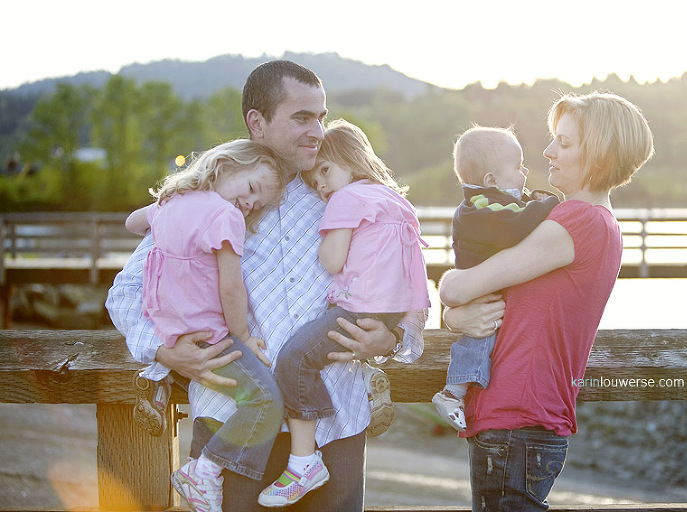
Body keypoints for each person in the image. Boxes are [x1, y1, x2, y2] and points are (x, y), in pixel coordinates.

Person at [106, 60, 425, 512]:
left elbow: (407, 272)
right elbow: (125, 293)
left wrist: (393, 336)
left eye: (321, 116)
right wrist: (164, 351)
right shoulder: (212, 198)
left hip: (334, 418)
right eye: (301, 117)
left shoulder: (342, 192)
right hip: (233, 419)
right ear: (257, 122)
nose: (317, 130)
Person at [439, 92, 654, 511]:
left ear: (600, 152)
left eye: (565, 143)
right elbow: (493, 301)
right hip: (523, 418)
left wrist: (452, 304)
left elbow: (456, 288)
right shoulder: (594, 221)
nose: (548, 151)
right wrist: (457, 318)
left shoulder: (577, 221)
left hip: (517, 416)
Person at [257, 119, 430, 507]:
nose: (320, 185)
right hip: (388, 314)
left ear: (350, 160)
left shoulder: (346, 199)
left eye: (324, 171)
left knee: (295, 358)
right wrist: (402, 331)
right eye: (314, 178)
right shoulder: (395, 200)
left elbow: (332, 261)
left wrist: (326, 241)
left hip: (357, 307)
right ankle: (367, 382)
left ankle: (303, 461)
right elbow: (414, 270)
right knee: (326, 353)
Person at [124, 140, 286, 512]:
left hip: (172, 334)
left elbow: (132, 222)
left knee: (240, 393)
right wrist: (243, 335)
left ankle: (160, 385)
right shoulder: (224, 216)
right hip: (212, 337)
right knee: (265, 401)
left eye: (257, 204)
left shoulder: (172, 201)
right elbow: (230, 286)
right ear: (226, 165)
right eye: (250, 190)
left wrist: (163, 215)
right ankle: (204, 470)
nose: (249, 204)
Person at [431, 126, 559, 432]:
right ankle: (453, 393)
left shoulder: (488, 202)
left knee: (483, 336)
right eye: (517, 167)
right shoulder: (482, 207)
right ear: (491, 180)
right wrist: (550, 205)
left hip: (484, 284)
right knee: (479, 337)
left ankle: (459, 392)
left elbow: (515, 211)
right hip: (481, 290)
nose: (525, 171)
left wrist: (534, 201)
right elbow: (515, 225)